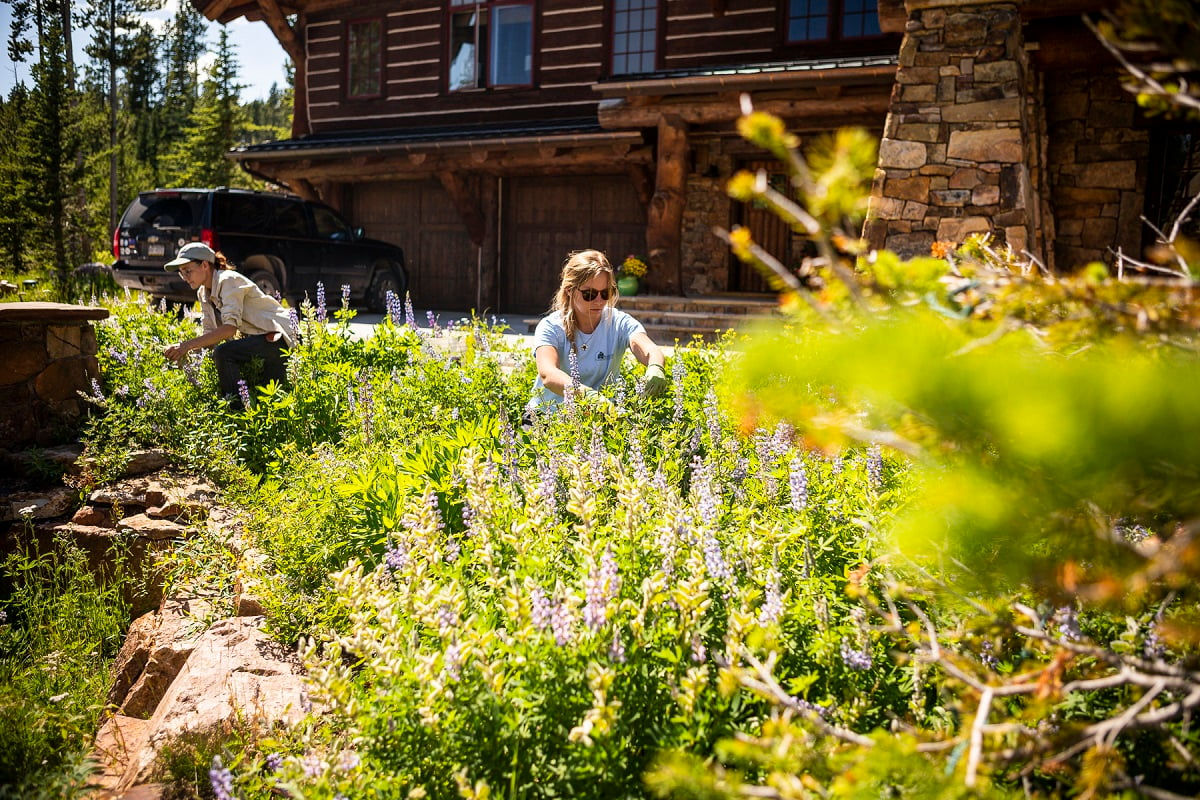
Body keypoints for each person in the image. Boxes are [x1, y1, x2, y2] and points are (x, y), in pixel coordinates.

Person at [527, 249, 669, 415]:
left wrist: (655, 366)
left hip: (602, 417)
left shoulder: (619, 322)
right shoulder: (550, 326)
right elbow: (548, 374)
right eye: (590, 294)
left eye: (605, 293)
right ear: (569, 291)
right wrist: (586, 395)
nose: (599, 301)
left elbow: (649, 348)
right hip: (547, 416)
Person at [162, 242, 295, 403]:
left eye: (188, 271)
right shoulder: (203, 293)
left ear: (205, 265)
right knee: (269, 401)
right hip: (260, 340)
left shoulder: (228, 280)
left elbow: (229, 330)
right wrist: (181, 352)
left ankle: (236, 411)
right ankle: (239, 412)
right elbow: (209, 335)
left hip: (279, 338)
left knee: (224, 353)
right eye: (181, 273)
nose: (185, 278)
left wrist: (186, 346)